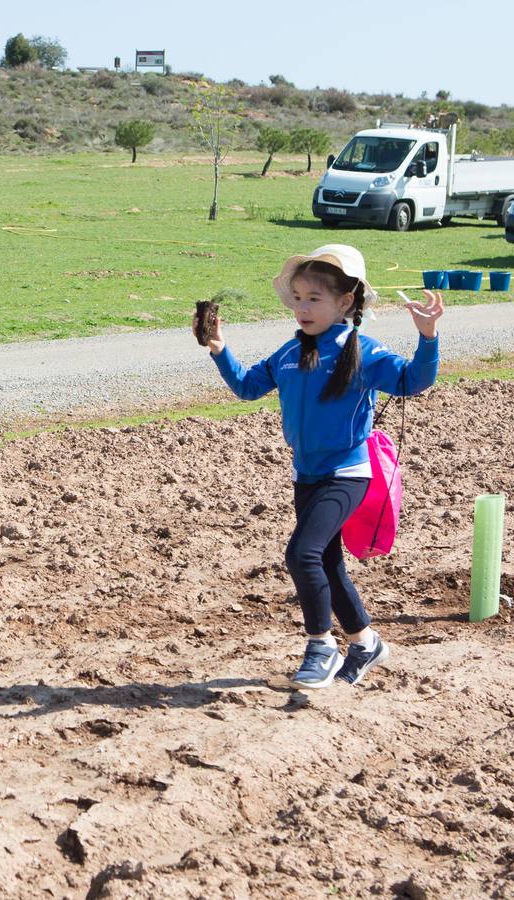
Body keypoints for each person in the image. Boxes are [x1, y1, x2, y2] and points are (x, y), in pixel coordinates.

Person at [198, 244, 443, 689]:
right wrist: (218, 348)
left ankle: (321, 646)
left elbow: (413, 381)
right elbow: (248, 387)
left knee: (302, 553)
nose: (302, 307)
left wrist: (428, 339)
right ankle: (366, 643)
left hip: (348, 473)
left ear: (345, 302)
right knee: (328, 565)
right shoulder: (290, 353)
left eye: (314, 298)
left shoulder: (364, 351)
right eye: (298, 297)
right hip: (306, 476)